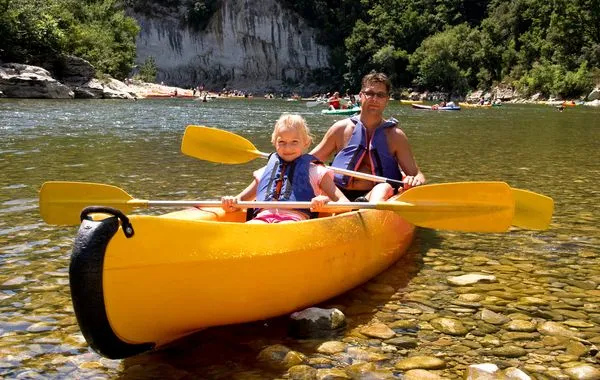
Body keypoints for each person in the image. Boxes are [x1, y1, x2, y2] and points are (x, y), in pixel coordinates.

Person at [310, 72, 426, 203]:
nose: (374, 99)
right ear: (360, 96)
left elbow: (417, 175)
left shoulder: (396, 136)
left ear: (387, 100)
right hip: (339, 196)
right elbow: (309, 161)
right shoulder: (340, 129)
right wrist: (286, 157)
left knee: (382, 188)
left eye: (380, 95)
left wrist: (415, 181)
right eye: (369, 93)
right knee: (313, 169)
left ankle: (367, 213)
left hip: (377, 196)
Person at [221, 114, 350, 223]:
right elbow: (239, 201)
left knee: (283, 226)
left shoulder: (318, 172)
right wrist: (230, 202)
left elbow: (345, 204)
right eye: (282, 142)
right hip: (261, 220)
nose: (287, 148)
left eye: (294, 142)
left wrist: (325, 203)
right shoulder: (264, 172)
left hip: (294, 222)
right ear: (274, 142)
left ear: (306, 143)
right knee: (251, 228)